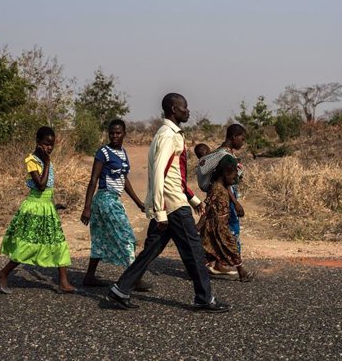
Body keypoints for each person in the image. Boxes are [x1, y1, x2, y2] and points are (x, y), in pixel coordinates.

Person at [106, 93, 230, 313]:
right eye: (185, 107)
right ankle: (204, 298)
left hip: (173, 201)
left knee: (151, 251)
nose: (188, 111)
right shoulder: (168, 135)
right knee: (194, 251)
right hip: (172, 206)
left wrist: (192, 199)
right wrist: (161, 211)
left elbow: (175, 175)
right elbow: (159, 174)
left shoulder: (169, 134)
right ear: (174, 109)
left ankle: (120, 289)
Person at [0, 126, 75, 294]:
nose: (49, 148)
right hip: (34, 208)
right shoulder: (32, 160)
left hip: (47, 209)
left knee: (59, 243)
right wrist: (46, 163)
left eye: (52, 145)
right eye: (46, 144)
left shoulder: (47, 161)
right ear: (38, 143)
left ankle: (63, 282)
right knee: (28, 245)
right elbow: (40, 185)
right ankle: (3, 273)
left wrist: (54, 205)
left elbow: (49, 189)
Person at [80, 119, 150, 290]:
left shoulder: (123, 153)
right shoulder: (103, 152)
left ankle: (89, 276)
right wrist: (87, 207)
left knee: (100, 239)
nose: (114, 136)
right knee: (127, 237)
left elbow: (123, 180)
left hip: (113, 200)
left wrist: (139, 203)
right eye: (111, 133)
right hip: (105, 200)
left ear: (124, 133)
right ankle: (133, 278)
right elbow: (93, 179)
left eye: (118, 133)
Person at [196, 124, 247, 276]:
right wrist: (235, 202)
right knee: (229, 231)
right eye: (242, 139)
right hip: (225, 197)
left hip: (221, 196)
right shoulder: (225, 156)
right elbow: (223, 182)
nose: (242, 143)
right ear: (233, 137)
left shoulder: (220, 152)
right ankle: (236, 266)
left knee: (217, 232)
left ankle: (218, 263)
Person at [199, 155, 256, 282]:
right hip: (216, 226)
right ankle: (242, 273)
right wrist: (199, 224)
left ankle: (197, 272)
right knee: (231, 247)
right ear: (225, 174)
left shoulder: (223, 186)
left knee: (211, 251)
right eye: (233, 176)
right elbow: (208, 206)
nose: (234, 179)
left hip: (220, 224)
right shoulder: (216, 188)